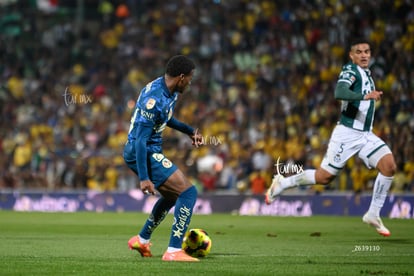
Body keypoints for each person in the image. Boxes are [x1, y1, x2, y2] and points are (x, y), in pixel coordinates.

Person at [265, 38, 397, 237]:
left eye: (367, 51)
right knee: (324, 177)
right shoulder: (350, 70)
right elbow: (340, 91)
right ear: (351, 56)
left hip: (365, 135)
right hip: (347, 134)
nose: (363, 55)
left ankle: (373, 213)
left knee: (389, 166)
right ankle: (283, 183)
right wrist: (365, 96)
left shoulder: (367, 74)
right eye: (359, 52)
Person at [123, 55, 203, 261]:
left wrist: (189, 130)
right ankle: (174, 251)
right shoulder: (154, 98)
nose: (190, 83)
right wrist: (143, 178)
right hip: (142, 150)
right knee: (188, 192)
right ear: (181, 77)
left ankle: (141, 240)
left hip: (150, 150)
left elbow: (166, 118)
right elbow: (140, 140)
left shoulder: (170, 91)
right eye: (190, 78)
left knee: (171, 196)